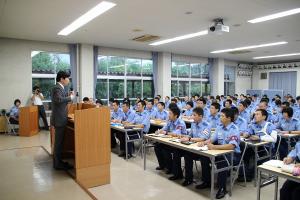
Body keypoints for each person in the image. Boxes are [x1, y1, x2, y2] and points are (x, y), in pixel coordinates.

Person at [196, 108, 241, 199]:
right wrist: (204, 143)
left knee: (222, 162)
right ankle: (207, 181)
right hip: (220, 152)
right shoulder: (220, 127)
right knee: (204, 157)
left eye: (222, 116)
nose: (220, 117)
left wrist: (214, 147)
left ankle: (222, 188)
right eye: (220, 115)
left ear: (229, 118)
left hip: (233, 155)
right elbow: (212, 139)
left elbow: (232, 146)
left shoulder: (234, 129)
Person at [181, 107, 211, 186]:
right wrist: (186, 137)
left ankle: (206, 182)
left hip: (203, 149)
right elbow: (190, 134)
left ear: (200, 116)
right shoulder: (193, 124)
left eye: (194, 115)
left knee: (204, 159)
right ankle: (188, 179)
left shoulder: (206, 125)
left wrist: (190, 138)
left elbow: (202, 138)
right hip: (194, 147)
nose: (192, 117)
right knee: (187, 155)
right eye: (192, 115)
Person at [50, 71, 74, 170]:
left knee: (59, 143)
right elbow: (58, 100)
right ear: (62, 79)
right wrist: (70, 97)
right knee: (58, 143)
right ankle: (57, 164)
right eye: (67, 78)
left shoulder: (61, 88)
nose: (69, 80)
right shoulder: (57, 88)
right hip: (59, 119)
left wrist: (68, 96)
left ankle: (59, 161)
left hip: (61, 118)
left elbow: (61, 100)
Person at [154, 104, 187, 174]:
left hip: (180, 144)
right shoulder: (170, 121)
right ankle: (163, 165)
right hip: (171, 142)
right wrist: (159, 131)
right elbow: (164, 128)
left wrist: (165, 133)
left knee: (166, 150)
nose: (169, 115)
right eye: (169, 113)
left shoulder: (180, 122)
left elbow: (176, 134)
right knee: (157, 146)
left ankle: (172, 169)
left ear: (175, 116)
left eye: (170, 113)